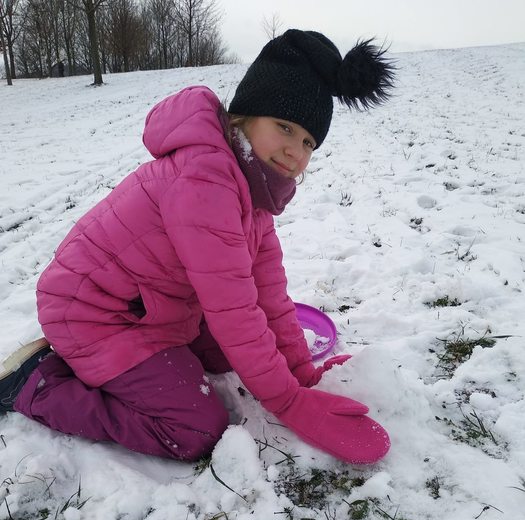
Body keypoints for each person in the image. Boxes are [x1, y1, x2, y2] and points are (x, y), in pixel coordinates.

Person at [0, 30, 395, 465]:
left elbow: (269, 298)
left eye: (308, 143)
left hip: (150, 308)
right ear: (244, 117)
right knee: (194, 428)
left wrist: (302, 375)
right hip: (95, 315)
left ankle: (104, 369)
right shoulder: (205, 180)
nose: (294, 152)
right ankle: (33, 385)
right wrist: (289, 402)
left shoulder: (254, 193)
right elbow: (235, 312)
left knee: (233, 356)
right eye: (285, 127)